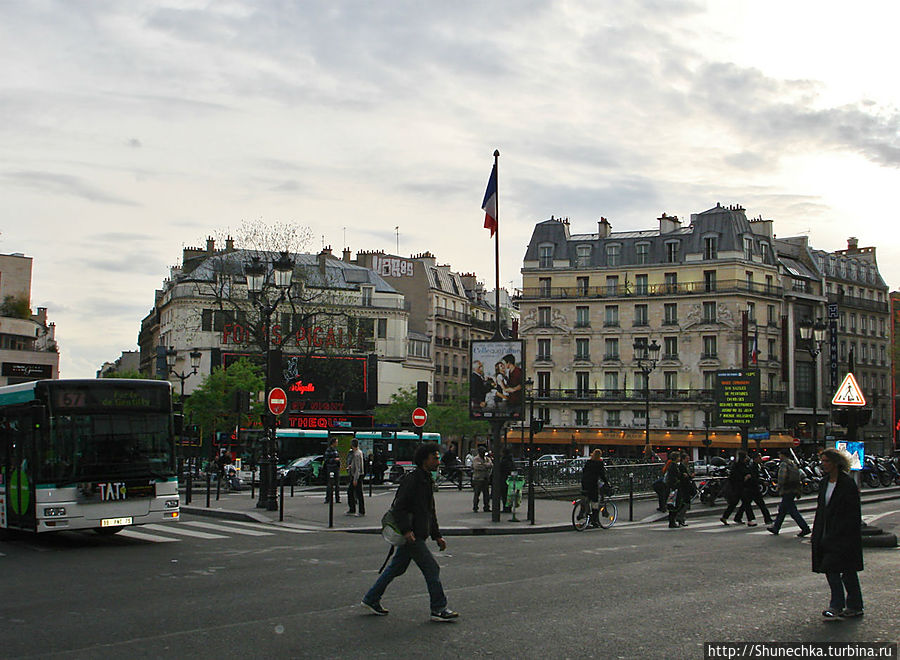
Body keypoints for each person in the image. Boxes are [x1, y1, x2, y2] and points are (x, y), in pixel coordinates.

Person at [361, 443, 459, 622]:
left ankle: (371, 598)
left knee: (396, 568)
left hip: (416, 532)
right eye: (434, 458)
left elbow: (430, 511)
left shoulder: (426, 479)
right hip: (413, 534)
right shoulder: (414, 480)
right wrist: (406, 531)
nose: (438, 461)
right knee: (431, 568)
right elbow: (400, 507)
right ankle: (438, 608)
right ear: (424, 459)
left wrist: (437, 535)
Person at [812, 448, 864, 620]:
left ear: (835, 463)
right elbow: (822, 509)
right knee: (835, 569)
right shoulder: (825, 482)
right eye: (823, 461)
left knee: (843, 570)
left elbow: (852, 511)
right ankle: (847, 605)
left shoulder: (847, 483)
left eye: (827, 461)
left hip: (843, 534)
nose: (824, 464)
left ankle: (840, 605)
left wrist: (845, 531)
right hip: (827, 532)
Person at [767, 448, 811, 537]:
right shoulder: (792, 463)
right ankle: (776, 527)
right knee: (782, 510)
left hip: (787, 489)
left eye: (780, 455)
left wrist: (778, 487)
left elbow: (782, 477)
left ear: (782, 455)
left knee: (792, 511)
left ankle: (805, 528)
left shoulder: (784, 464)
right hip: (793, 488)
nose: (779, 456)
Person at [734, 453, 772, 526]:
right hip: (751, 488)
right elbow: (753, 478)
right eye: (759, 458)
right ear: (756, 458)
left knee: (746, 504)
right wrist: (762, 482)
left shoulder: (757, 465)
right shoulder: (752, 466)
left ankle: (738, 517)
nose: (761, 459)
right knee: (759, 504)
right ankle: (766, 519)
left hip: (751, 488)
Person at [720, 451, 751, 525]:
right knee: (745, 503)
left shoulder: (738, 465)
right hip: (739, 487)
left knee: (734, 503)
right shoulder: (739, 466)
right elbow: (736, 477)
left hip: (738, 487)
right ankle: (750, 519)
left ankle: (727, 517)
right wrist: (745, 478)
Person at [581, 449, 610, 527]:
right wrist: (607, 483)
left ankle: (584, 512)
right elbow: (602, 475)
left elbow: (584, 471)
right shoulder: (599, 463)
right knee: (595, 502)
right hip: (593, 484)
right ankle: (594, 520)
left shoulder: (588, 462)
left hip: (584, 483)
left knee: (587, 498)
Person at [666, 451, 694, 528]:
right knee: (675, 505)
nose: (679, 458)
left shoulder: (673, 465)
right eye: (678, 457)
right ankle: (672, 521)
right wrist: (682, 475)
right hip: (675, 488)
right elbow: (675, 476)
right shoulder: (674, 466)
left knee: (674, 504)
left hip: (674, 487)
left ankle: (673, 521)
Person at [346, 438, 365, 517]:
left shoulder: (356, 454)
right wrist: (351, 466)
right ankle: (355, 509)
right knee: (356, 493)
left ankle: (358, 510)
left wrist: (355, 479)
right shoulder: (359, 452)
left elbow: (358, 468)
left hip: (356, 476)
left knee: (355, 493)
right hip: (358, 475)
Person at [470, 445, 492, 512]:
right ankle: (475, 507)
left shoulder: (487, 458)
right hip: (478, 478)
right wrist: (486, 466)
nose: (483, 453)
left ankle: (486, 507)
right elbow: (477, 467)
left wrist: (483, 465)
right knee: (477, 494)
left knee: (486, 494)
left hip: (485, 478)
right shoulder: (476, 459)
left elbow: (491, 464)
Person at [323, 437, 341, 504]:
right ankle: (328, 498)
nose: (337, 443)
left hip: (336, 467)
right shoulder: (329, 450)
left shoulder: (336, 450)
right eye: (336, 442)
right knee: (330, 484)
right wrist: (334, 460)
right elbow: (326, 460)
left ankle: (337, 498)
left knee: (337, 484)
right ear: (333, 443)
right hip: (331, 468)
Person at [498, 447, 515, 512]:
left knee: (504, 494)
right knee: (509, 494)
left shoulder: (504, 460)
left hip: (504, 478)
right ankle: (508, 507)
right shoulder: (511, 460)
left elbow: (500, 468)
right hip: (510, 479)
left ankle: (506, 507)